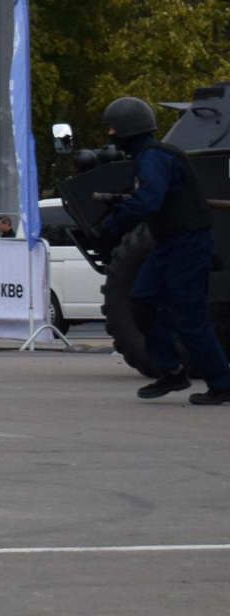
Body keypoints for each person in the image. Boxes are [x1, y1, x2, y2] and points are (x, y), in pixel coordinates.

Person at [95, 95, 230, 404]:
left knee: (190, 317)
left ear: (127, 131)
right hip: (169, 242)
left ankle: (222, 383)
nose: (112, 136)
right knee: (141, 300)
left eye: (113, 130)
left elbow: (149, 200)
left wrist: (113, 222)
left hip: (187, 244)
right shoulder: (152, 156)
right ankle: (171, 371)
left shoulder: (154, 158)